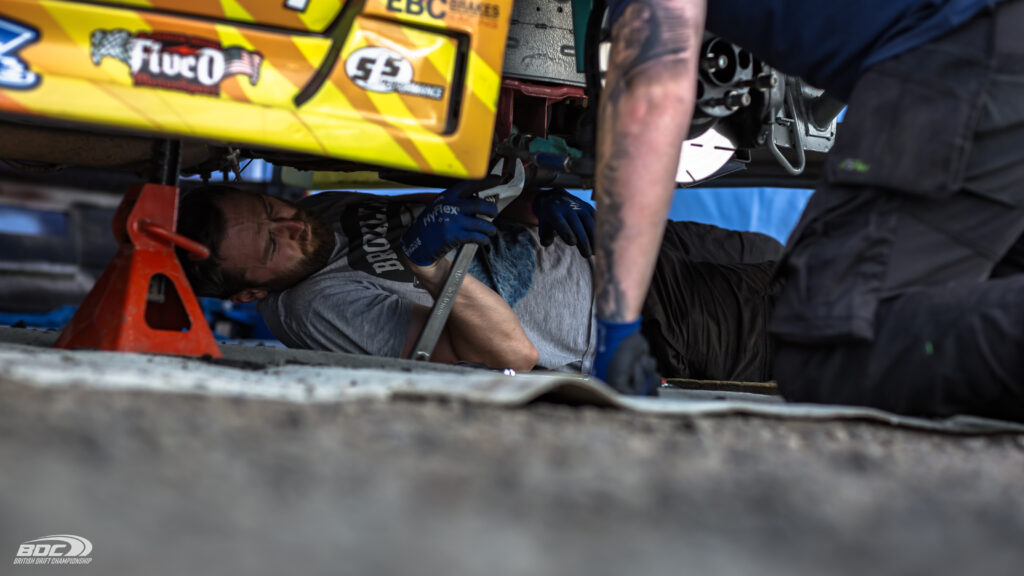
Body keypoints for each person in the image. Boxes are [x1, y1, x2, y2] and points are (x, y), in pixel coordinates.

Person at [594, 0, 1024, 420]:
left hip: (969, 51)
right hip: (995, 47)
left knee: (826, 349)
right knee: (986, 285)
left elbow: (654, 93)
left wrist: (616, 328)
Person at [176, 184, 781, 382]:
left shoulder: (322, 212)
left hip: (621, 247)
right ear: (251, 293)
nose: (292, 225)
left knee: (779, 256)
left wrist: (535, 203)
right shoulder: (312, 307)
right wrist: (427, 263)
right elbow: (507, 355)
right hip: (647, 319)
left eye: (272, 209)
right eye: (272, 244)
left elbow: (479, 215)